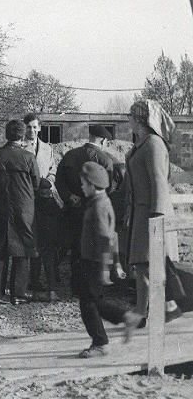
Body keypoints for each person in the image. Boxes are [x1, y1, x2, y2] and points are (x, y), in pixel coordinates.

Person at [123, 99, 181, 328]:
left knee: (149, 264)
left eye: (130, 115)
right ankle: (147, 309)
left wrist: (157, 216)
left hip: (152, 213)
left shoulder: (153, 144)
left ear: (139, 119)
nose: (127, 119)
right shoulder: (141, 144)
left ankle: (161, 308)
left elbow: (158, 181)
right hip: (141, 212)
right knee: (142, 265)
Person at [76, 161, 139, 357]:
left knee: (88, 304)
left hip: (95, 262)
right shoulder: (100, 202)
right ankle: (127, 317)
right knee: (94, 300)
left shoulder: (99, 206)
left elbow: (106, 239)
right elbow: (112, 236)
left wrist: (105, 270)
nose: (81, 187)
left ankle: (101, 343)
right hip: (93, 261)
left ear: (92, 184)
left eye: (83, 183)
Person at [55, 125, 115, 297]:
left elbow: (59, 180)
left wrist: (69, 196)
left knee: (75, 248)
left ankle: (75, 286)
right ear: (103, 140)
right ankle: (91, 288)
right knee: (93, 249)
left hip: (72, 210)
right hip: (94, 211)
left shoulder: (70, 155)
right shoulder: (105, 160)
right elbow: (108, 187)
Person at [0, 120, 40, 305]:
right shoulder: (28, 157)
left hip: (0, 208)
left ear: (6, 134)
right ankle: (17, 295)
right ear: (22, 136)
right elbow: (36, 183)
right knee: (22, 251)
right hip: (24, 209)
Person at [22, 114, 57, 299]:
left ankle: (37, 279)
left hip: (43, 199)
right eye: (29, 127)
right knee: (29, 239)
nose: (32, 130)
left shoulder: (47, 148)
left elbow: (53, 169)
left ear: (40, 128)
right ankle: (27, 279)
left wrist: (48, 182)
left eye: (35, 127)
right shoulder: (20, 146)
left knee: (44, 239)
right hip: (26, 198)